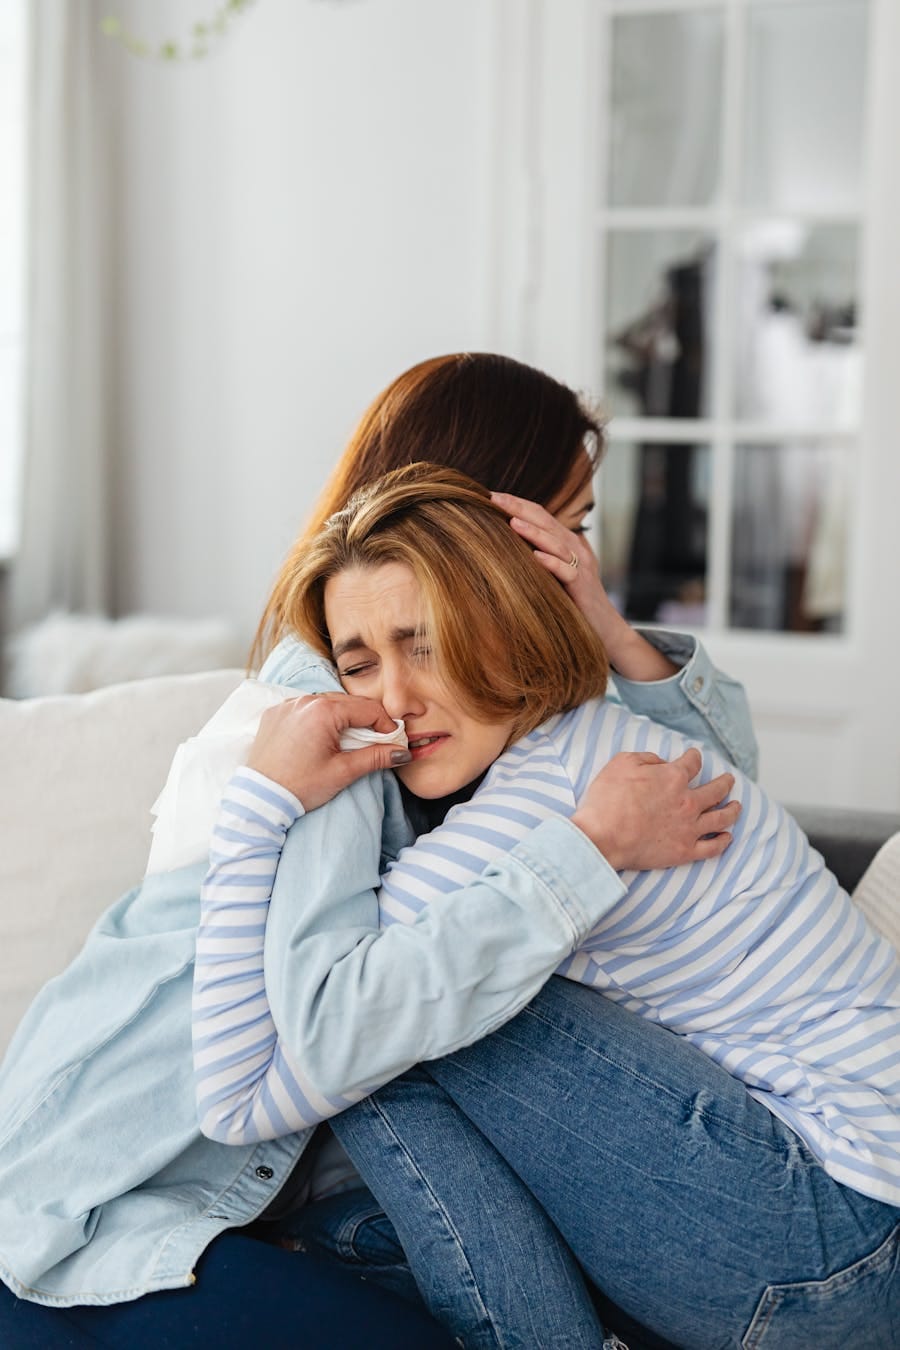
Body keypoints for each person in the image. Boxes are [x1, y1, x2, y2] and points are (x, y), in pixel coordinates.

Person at [0, 354, 756, 1347]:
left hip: (266, 1191)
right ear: (486, 530)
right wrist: (589, 851)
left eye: (578, 537)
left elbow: (722, 810)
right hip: (103, 1204)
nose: (574, 561)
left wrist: (609, 627)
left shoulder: (475, 702)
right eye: (566, 528)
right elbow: (324, 1033)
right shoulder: (346, 712)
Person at [193, 464, 900, 1349]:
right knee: (420, 999)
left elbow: (239, 1098)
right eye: (360, 664)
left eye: (425, 644)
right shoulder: (594, 745)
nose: (396, 701)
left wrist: (258, 804)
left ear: (502, 626)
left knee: (400, 1008)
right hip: (842, 1234)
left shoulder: (548, 798)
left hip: (834, 1246)